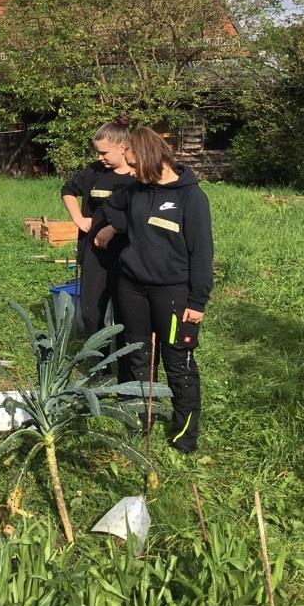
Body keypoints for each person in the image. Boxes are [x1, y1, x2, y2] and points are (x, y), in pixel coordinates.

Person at [94, 127, 213, 454]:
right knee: (137, 354)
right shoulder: (135, 189)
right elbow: (113, 208)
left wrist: (197, 301)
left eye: (132, 164)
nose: (128, 171)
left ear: (148, 159)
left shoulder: (190, 198)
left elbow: (202, 253)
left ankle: (184, 437)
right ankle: (137, 421)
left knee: (179, 363)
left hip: (173, 294)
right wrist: (112, 227)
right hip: (132, 287)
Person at [60, 117, 134, 341]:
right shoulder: (94, 172)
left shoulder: (137, 175)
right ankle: (97, 363)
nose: (99, 158)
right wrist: (80, 220)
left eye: (104, 153)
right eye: (98, 153)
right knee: (91, 311)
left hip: (126, 252)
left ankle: (123, 363)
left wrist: (114, 228)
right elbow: (68, 190)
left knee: (125, 312)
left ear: (122, 148)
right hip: (94, 251)